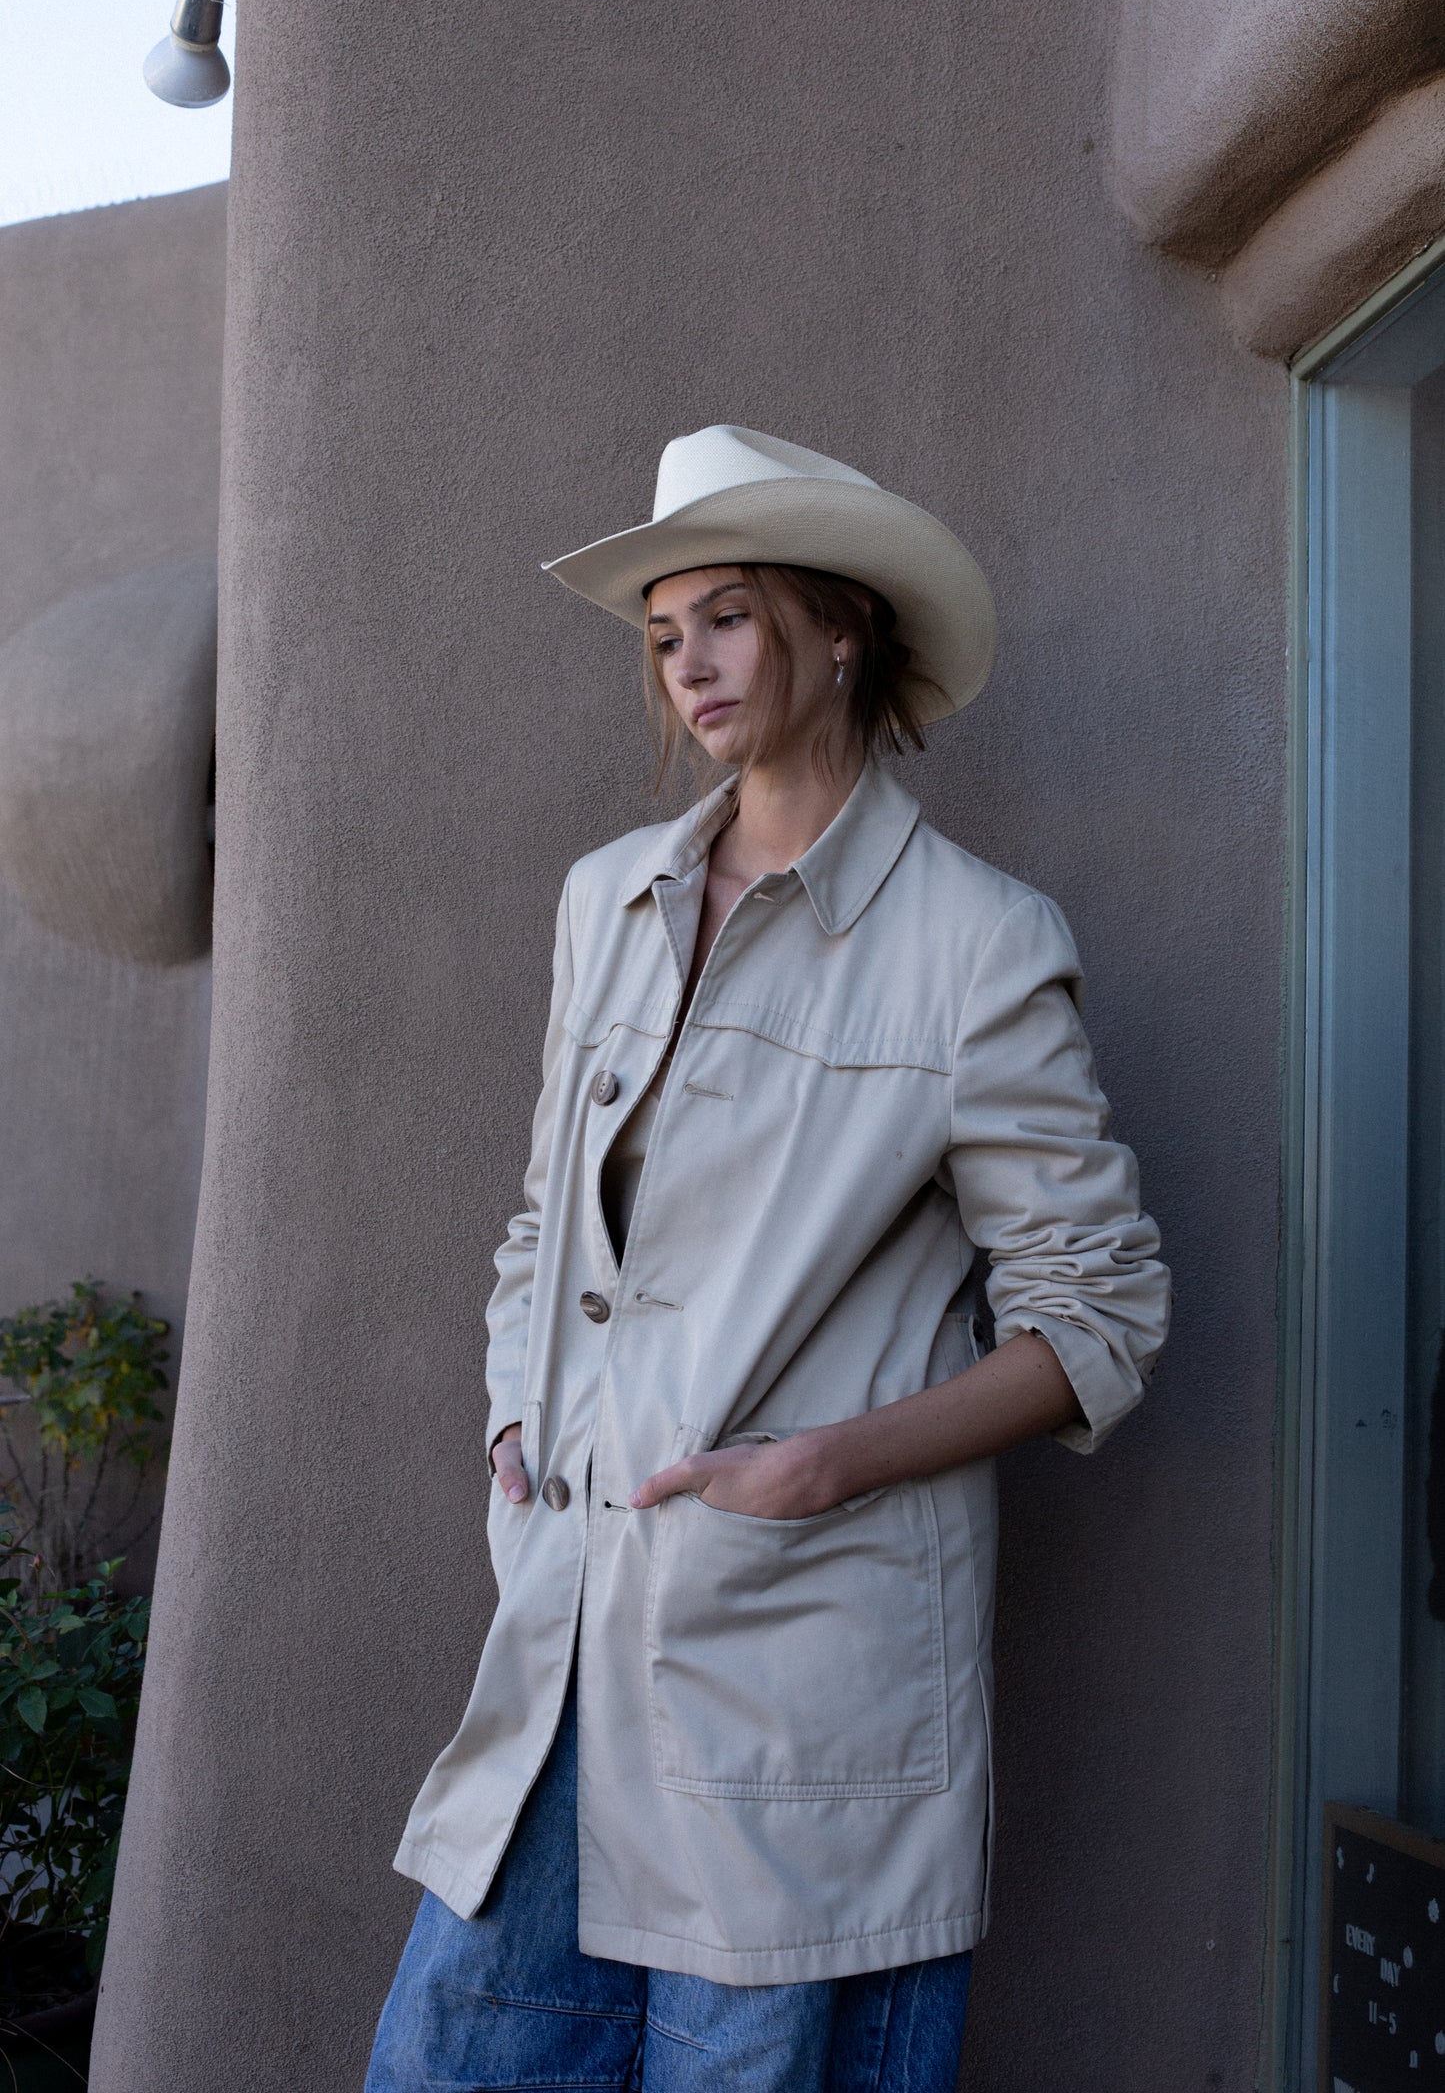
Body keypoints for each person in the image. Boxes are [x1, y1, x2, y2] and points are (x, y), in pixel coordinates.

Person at [365, 425, 1171, 2092]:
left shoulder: (974, 943)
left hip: (800, 1665)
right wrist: (516, 1434)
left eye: (727, 617)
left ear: (840, 625)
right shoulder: (608, 899)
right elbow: (546, 1222)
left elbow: (1096, 1317)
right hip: (573, 1613)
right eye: (665, 638)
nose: (691, 667)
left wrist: (819, 1467)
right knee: (459, 2055)